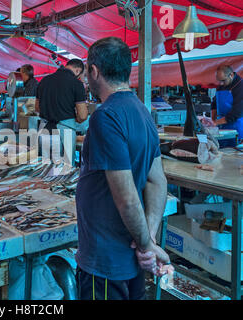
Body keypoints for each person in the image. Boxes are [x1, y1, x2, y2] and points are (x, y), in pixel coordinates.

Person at [75, 37, 173, 300]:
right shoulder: (142, 111)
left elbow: (128, 198)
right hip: (128, 260)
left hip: (106, 259)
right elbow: (157, 181)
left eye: (87, 72)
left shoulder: (105, 116)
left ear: (94, 71)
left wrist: (145, 244)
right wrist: (149, 240)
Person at [35, 59, 88, 166]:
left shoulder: (44, 81)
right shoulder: (77, 84)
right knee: (65, 171)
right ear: (78, 71)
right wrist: (74, 119)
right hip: (64, 132)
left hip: (44, 130)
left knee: (45, 168)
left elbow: (37, 108)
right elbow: (83, 115)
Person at [211, 65, 243, 144]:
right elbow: (214, 103)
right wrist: (212, 121)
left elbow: (237, 112)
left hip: (236, 127)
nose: (221, 83)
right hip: (221, 126)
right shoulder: (221, 85)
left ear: (231, 75)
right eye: (219, 81)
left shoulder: (240, 86)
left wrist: (216, 122)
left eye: (223, 80)